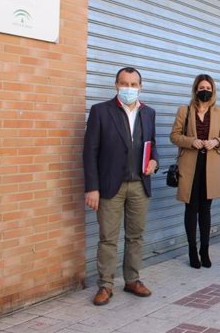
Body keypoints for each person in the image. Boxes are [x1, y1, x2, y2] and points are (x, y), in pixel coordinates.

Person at [83, 67, 158, 306]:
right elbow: (89, 151)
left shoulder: (149, 113)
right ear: (116, 85)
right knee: (108, 238)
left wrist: (154, 161)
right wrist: (92, 187)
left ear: (140, 87)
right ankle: (105, 285)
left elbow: (152, 144)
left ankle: (132, 279)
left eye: (133, 84)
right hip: (109, 187)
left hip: (139, 185)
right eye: (124, 84)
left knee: (136, 236)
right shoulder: (100, 111)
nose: (129, 88)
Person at [170, 74, 220, 269]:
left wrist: (216, 142)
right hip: (190, 166)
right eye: (202, 87)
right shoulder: (184, 110)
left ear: (213, 90)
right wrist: (191, 141)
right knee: (191, 209)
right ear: (196, 89)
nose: (205, 91)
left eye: (208, 88)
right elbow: (174, 136)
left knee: (206, 210)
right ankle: (192, 250)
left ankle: (205, 250)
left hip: (210, 167)